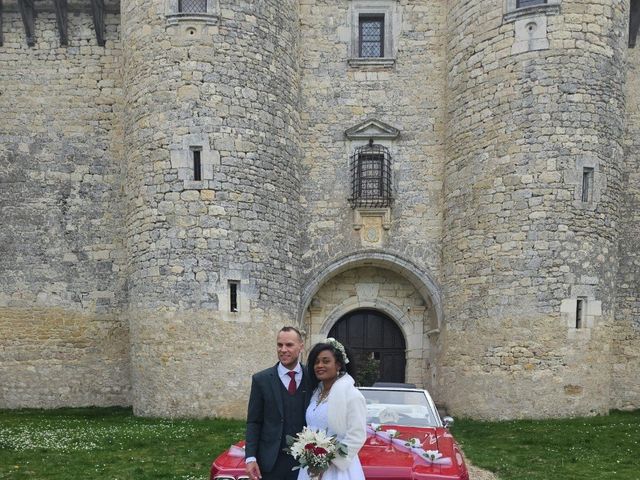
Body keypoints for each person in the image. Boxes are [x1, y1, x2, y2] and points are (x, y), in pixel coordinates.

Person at [245, 326, 311, 480]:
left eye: (289, 345)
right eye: (279, 345)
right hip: (270, 462)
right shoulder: (261, 380)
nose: (283, 349)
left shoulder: (312, 378)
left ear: (301, 346)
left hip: (305, 462)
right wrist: (250, 458)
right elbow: (254, 421)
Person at [297, 338, 367, 480]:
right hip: (311, 466)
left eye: (326, 361)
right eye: (316, 362)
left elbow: (357, 435)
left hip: (337, 469)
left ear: (338, 365)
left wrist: (326, 462)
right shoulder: (316, 393)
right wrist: (312, 458)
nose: (319, 365)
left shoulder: (352, 395)